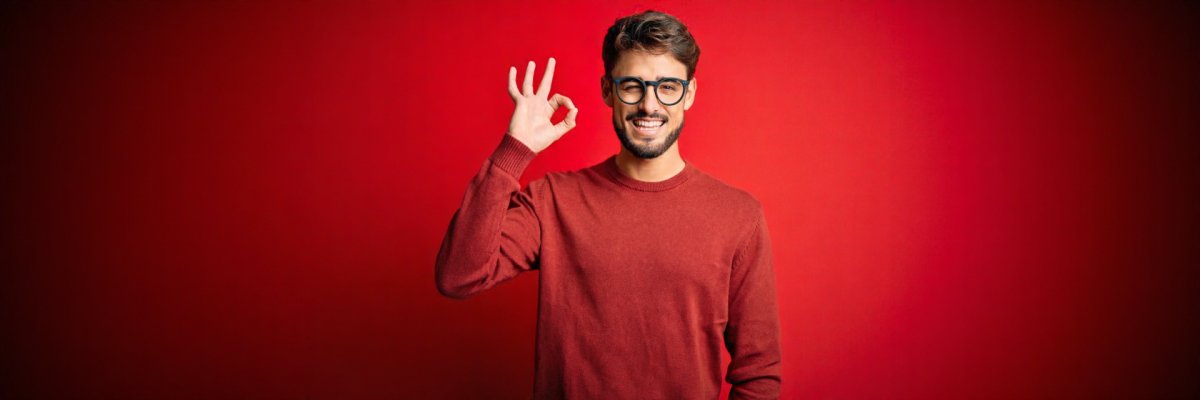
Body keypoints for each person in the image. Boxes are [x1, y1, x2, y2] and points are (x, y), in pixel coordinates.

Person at [435, 10, 781, 399]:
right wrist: (514, 151)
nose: (649, 105)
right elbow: (459, 276)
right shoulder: (554, 200)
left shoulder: (738, 216)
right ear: (607, 90)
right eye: (632, 86)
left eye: (668, 87)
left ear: (690, 93)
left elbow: (758, 374)